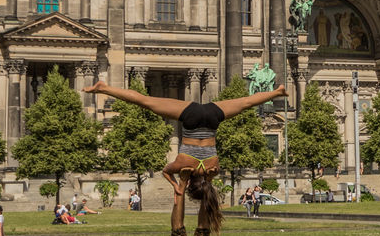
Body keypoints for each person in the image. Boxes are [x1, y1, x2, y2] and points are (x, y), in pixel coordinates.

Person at [83, 79, 285, 191]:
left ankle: (276, 92)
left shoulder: (212, 167)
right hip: (190, 118)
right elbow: (165, 172)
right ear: (189, 181)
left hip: (212, 119)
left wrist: (210, 178)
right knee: (144, 101)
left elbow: (210, 178)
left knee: (247, 102)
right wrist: (176, 185)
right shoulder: (182, 165)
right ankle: (105, 88)